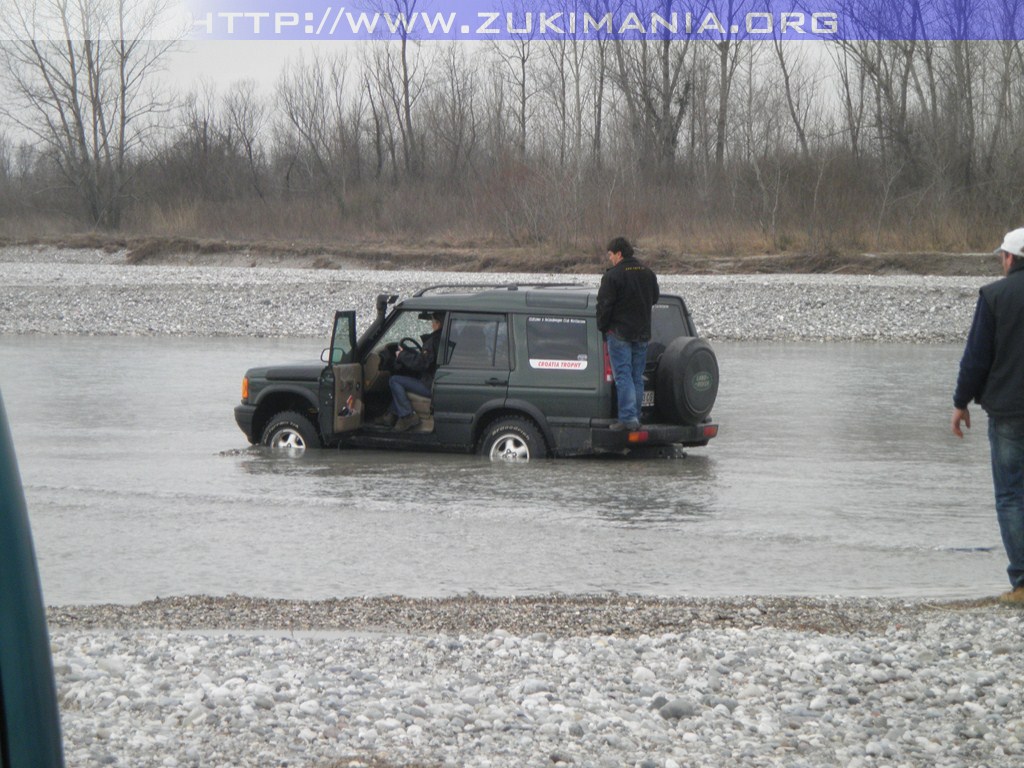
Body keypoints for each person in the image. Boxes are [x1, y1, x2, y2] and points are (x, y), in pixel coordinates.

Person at [952, 227, 1024, 603]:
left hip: (1009, 411)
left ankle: (1023, 583)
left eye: (1002, 256)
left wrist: (961, 401)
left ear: (1010, 259)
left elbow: (977, 356)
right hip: (1009, 410)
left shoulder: (994, 296)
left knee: (1012, 496)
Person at [597, 236, 660, 431]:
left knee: (623, 376)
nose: (610, 259)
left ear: (618, 253)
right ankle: (636, 418)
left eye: (610, 255)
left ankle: (627, 419)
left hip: (619, 334)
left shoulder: (613, 276)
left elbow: (604, 306)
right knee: (636, 376)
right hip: (642, 334)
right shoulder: (648, 273)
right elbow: (655, 298)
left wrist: (602, 327)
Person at [378, 312, 444, 432]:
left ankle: (407, 416)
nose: (431, 325)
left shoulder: (434, 341)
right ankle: (391, 416)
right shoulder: (443, 338)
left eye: (433, 322)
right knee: (404, 380)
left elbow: (422, 363)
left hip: (431, 385)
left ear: (438, 323)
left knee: (394, 380)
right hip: (435, 381)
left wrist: (402, 355)